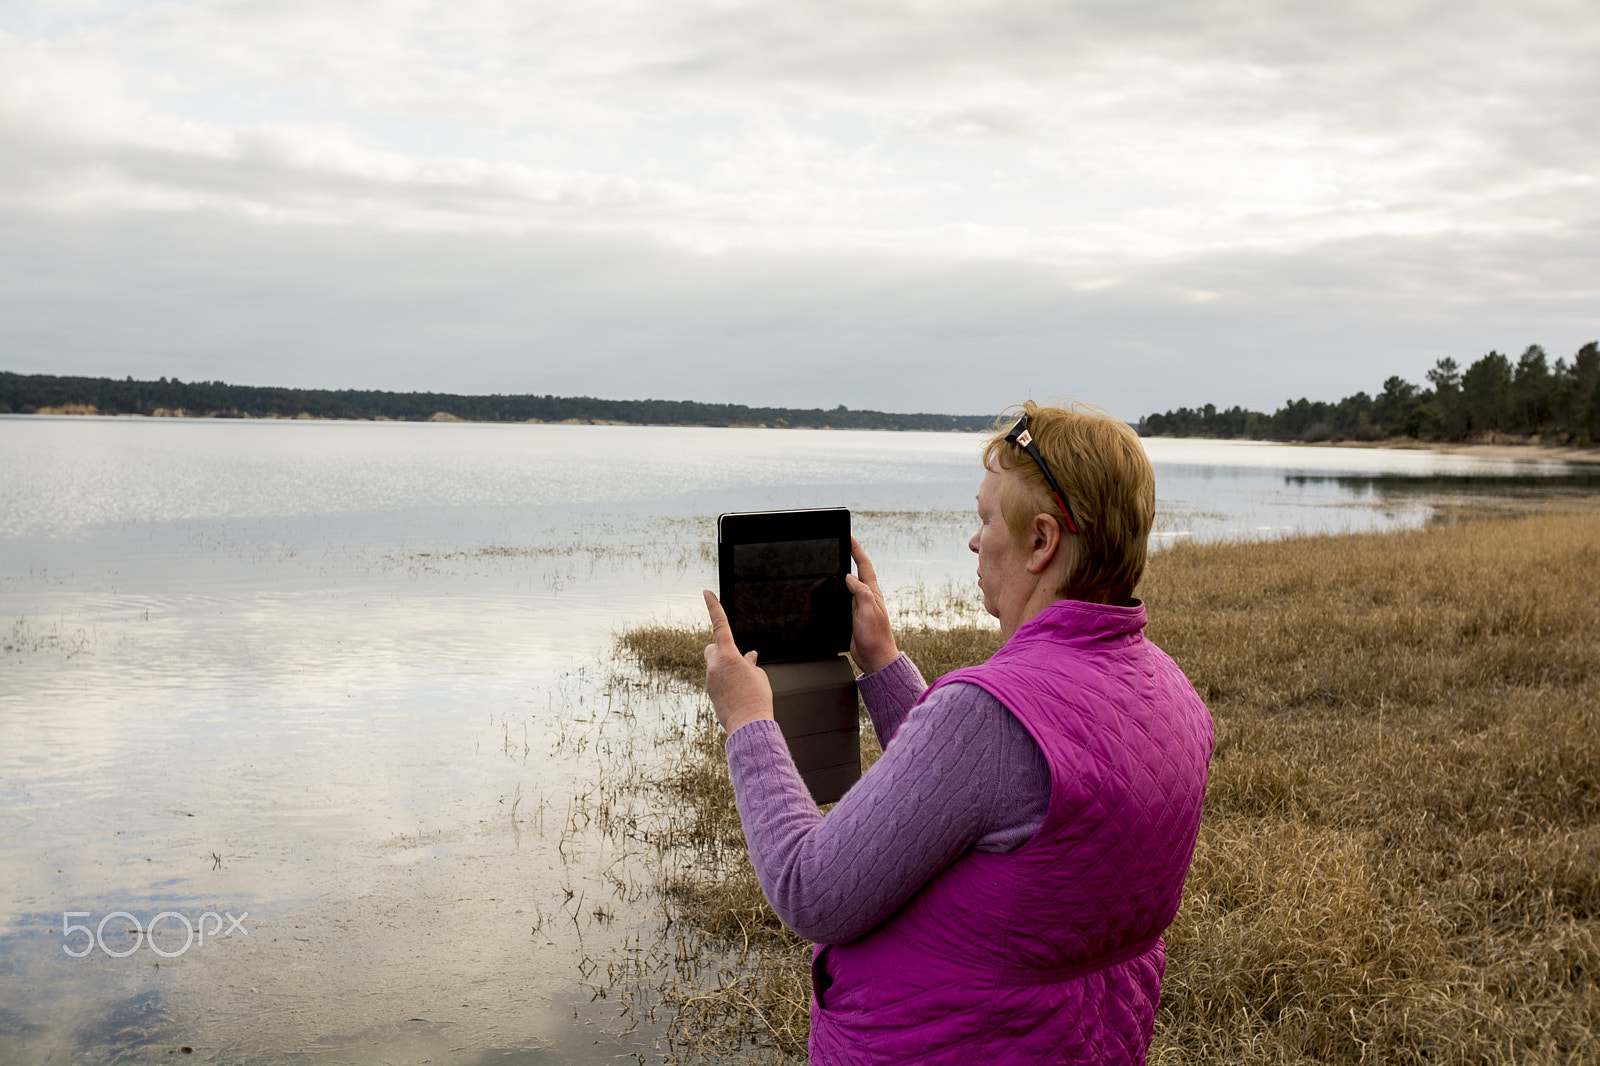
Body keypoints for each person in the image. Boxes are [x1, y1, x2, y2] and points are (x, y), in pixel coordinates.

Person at [702, 400, 1214, 1065]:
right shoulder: (1172, 693)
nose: (975, 541)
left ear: (1041, 541)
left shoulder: (990, 713)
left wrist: (748, 721)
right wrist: (882, 660)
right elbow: (976, 791)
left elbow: (810, 890)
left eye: (985, 519)